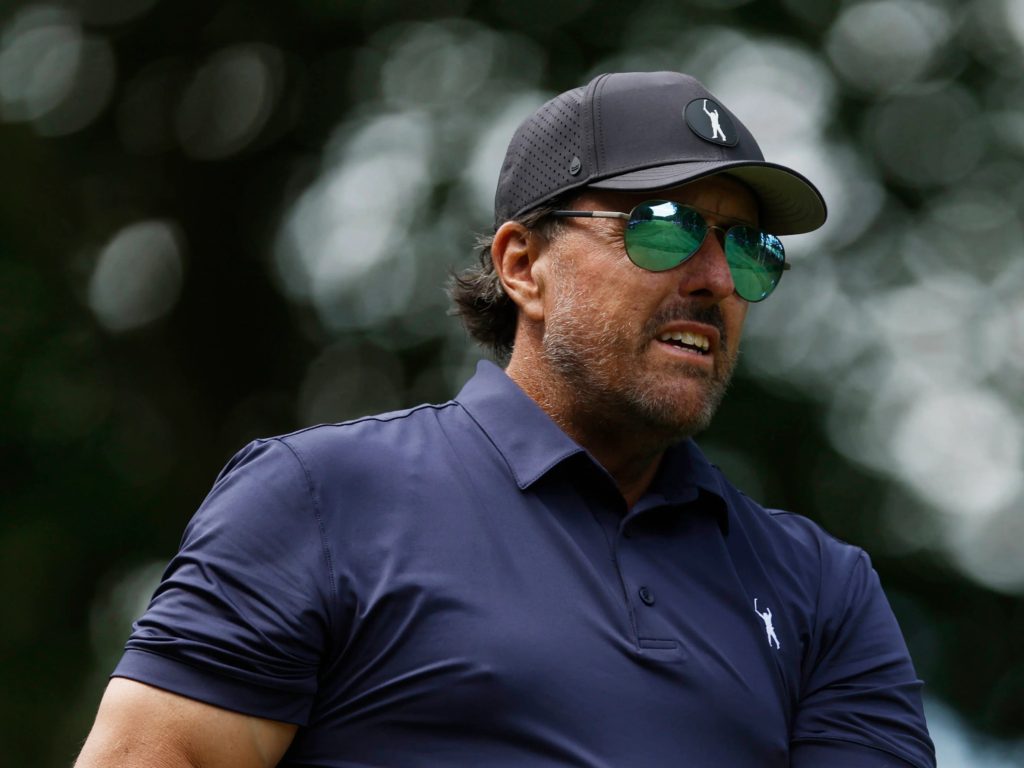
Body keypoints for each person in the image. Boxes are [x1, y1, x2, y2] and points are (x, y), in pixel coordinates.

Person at [75, 71, 936, 767]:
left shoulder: (821, 589)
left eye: (747, 247)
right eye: (664, 228)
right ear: (523, 266)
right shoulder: (320, 499)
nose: (715, 279)